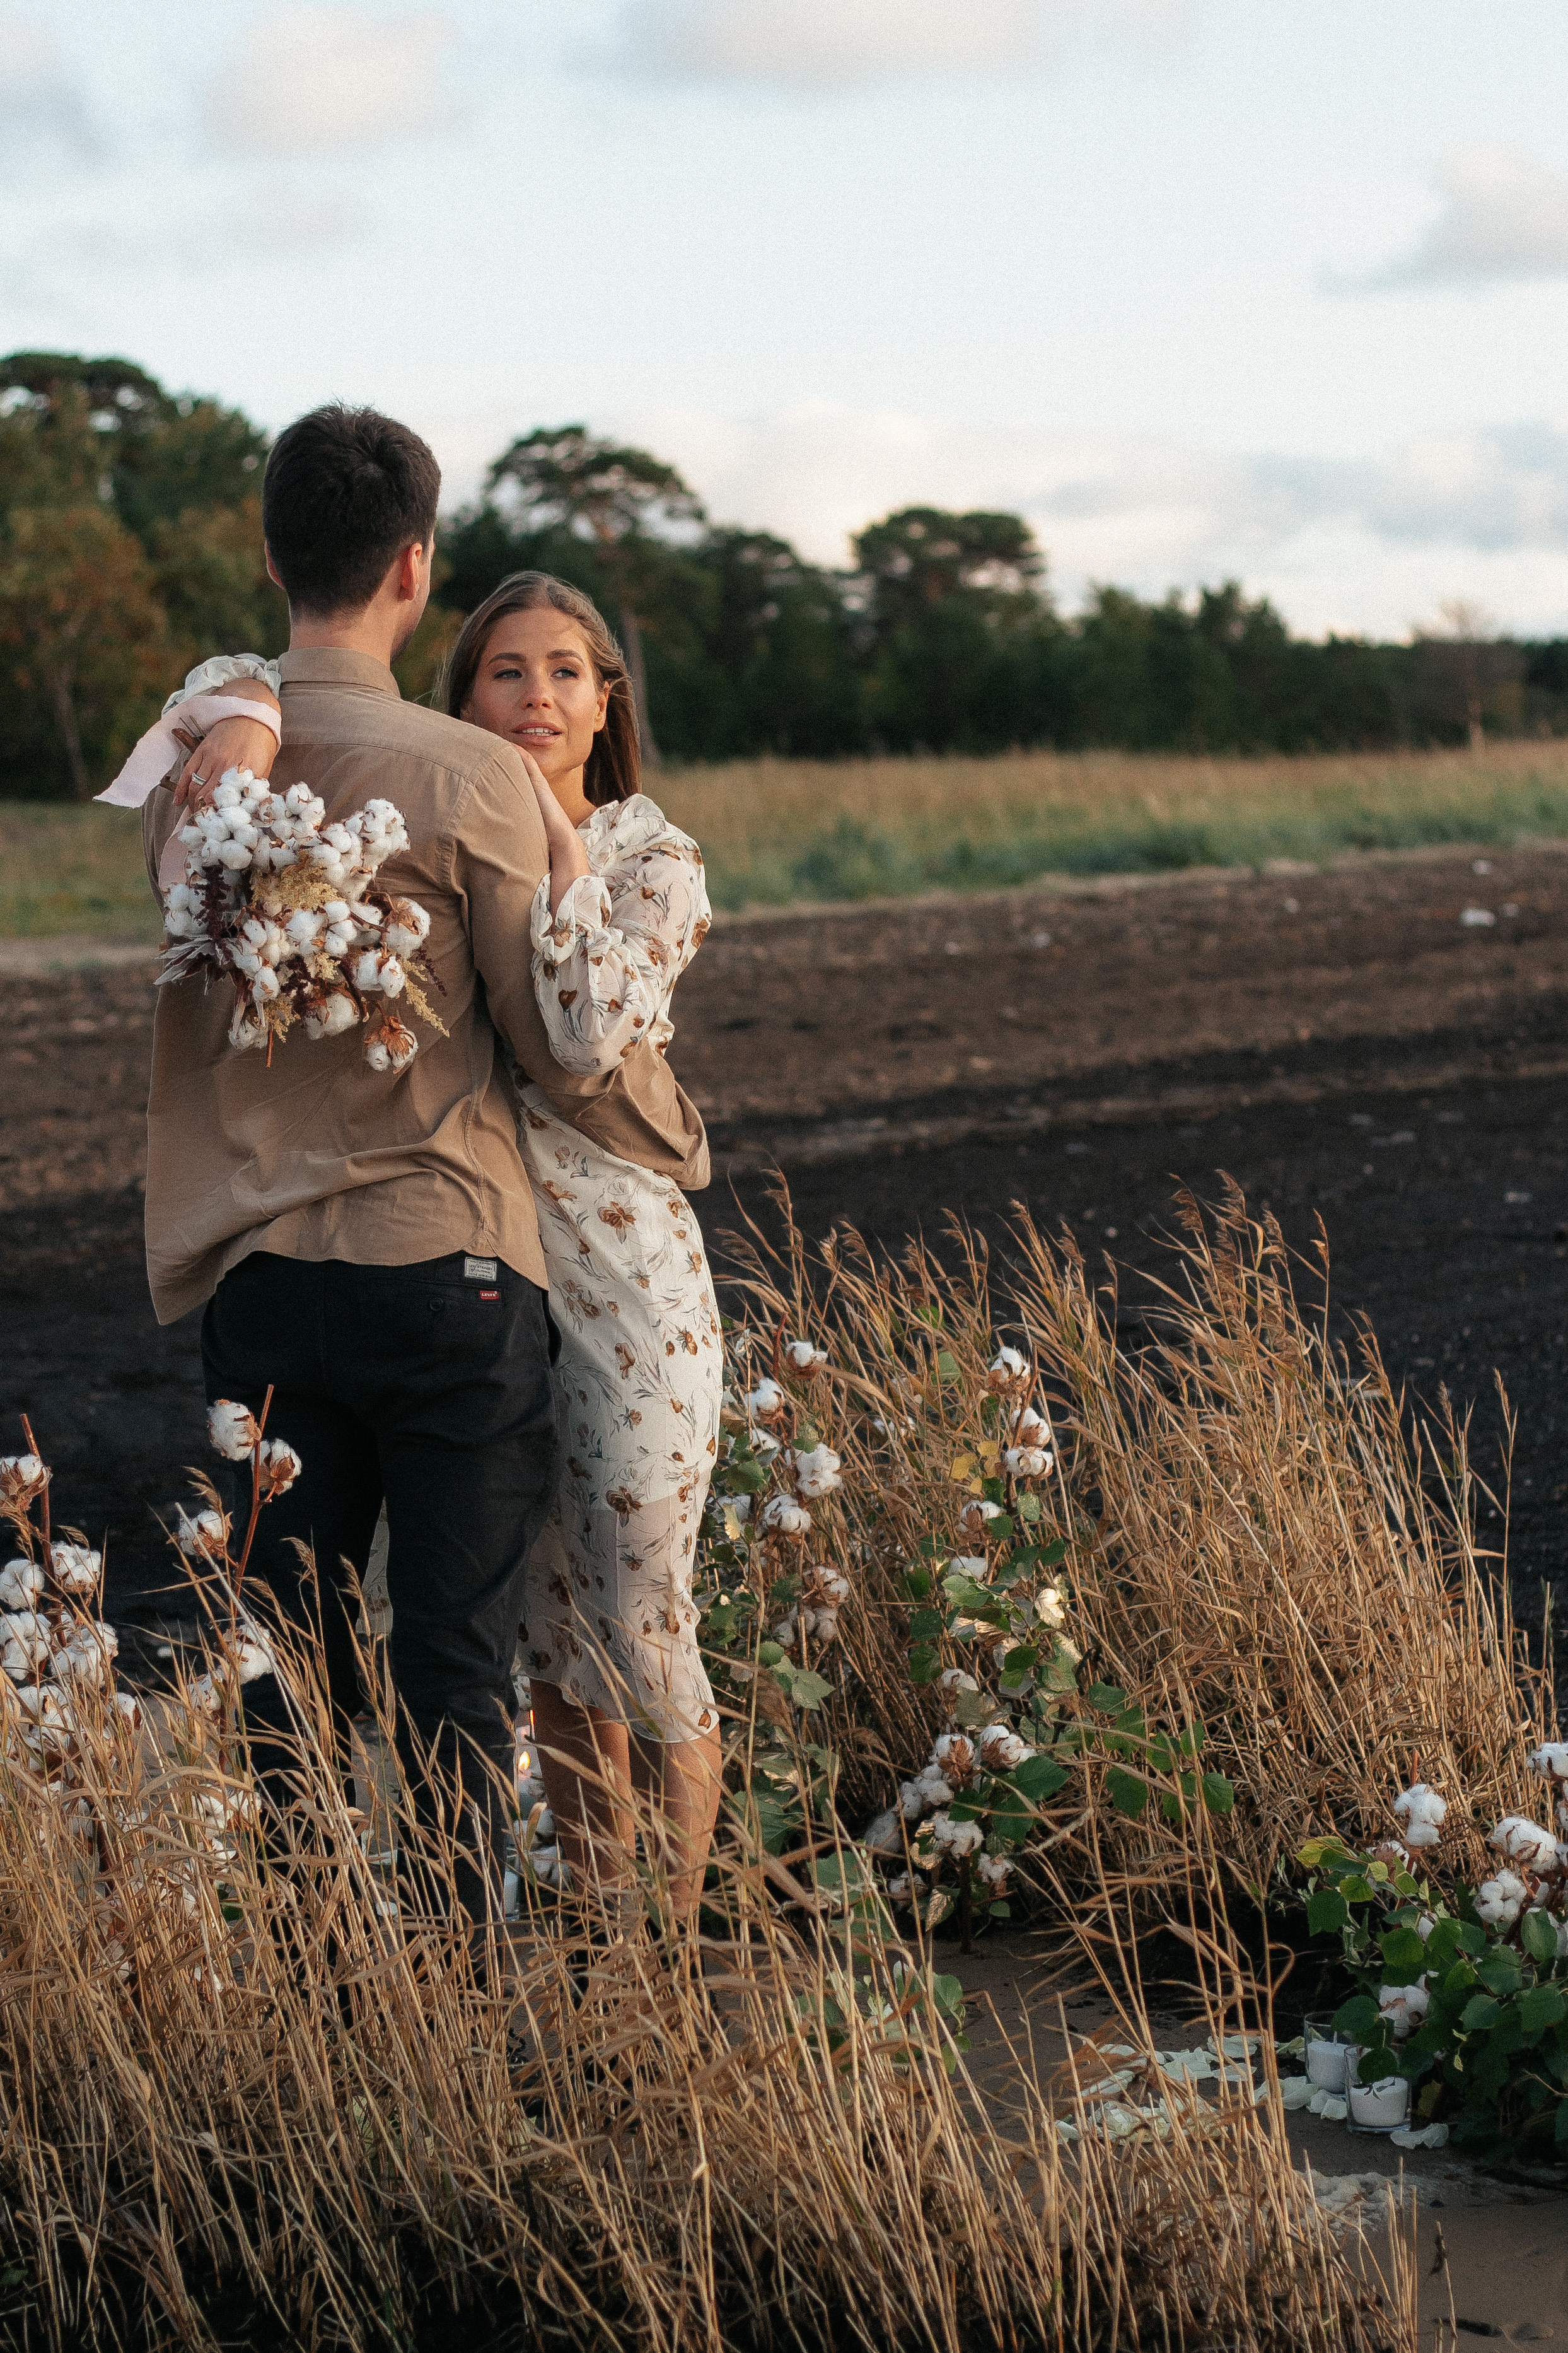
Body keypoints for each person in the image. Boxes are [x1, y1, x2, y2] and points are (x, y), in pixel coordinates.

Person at [130, 406, 709, 1923]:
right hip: (449, 1270)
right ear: (415, 565)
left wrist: (240, 699)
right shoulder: (477, 779)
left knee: (284, 1662)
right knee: (452, 1659)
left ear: (271, 555)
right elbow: (548, 1037)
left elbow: (203, 743)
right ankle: (458, 1989)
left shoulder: (201, 779)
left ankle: (324, 1988)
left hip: (259, 1285)